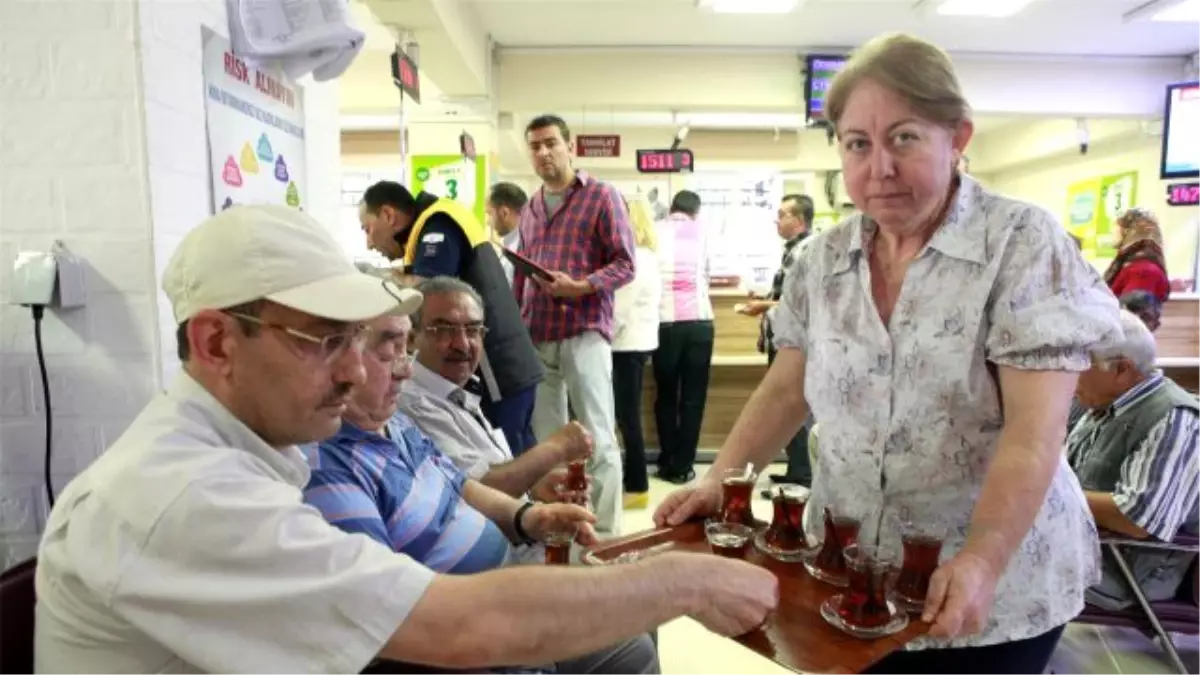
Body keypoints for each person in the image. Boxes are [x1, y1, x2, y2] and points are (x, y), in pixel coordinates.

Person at [33, 205, 778, 675]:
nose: (358, 372)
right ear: (217, 342)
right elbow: (458, 624)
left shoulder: (241, 448)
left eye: (362, 341)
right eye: (323, 341)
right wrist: (685, 581)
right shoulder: (186, 495)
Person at [655, 33, 1123, 674]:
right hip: (849, 571)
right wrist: (720, 481)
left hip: (987, 584)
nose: (879, 167)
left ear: (957, 138)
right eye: (857, 144)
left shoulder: (1020, 244)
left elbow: (1032, 435)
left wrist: (982, 560)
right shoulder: (823, 259)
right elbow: (788, 389)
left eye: (904, 138)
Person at [305, 309, 660, 674]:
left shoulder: (394, 421)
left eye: (404, 348)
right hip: (473, 626)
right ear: (338, 358)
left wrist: (529, 517)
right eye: (387, 352)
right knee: (634, 637)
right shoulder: (327, 467)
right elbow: (390, 617)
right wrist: (520, 623)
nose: (406, 369)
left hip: (505, 579)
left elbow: (460, 485)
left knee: (639, 606)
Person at [514, 114, 636, 537]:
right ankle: (563, 526)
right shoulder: (529, 208)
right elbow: (521, 273)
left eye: (551, 143)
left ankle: (604, 535)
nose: (543, 152)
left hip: (584, 332)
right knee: (549, 444)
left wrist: (581, 286)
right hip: (537, 334)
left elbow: (625, 265)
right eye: (535, 145)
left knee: (598, 437)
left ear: (570, 146)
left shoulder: (601, 196)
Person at [359, 180, 544, 457]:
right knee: (519, 462)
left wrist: (371, 277)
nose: (369, 243)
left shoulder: (439, 223)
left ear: (388, 215)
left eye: (368, 229)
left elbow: (425, 291)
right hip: (506, 367)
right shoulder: (434, 225)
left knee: (510, 465)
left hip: (497, 371)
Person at [399, 277, 591, 502]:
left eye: (472, 330)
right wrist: (557, 447)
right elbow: (473, 491)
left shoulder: (454, 391)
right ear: (411, 338)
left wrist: (533, 489)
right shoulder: (413, 402)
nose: (462, 344)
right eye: (443, 330)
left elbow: (486, 475)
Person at [1067, 310, 1200, 611]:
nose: (1068, 373)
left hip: (1124, 573)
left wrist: (1051, 497)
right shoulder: (1102, 402)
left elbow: (1137, 519)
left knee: (988, 560)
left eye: (1079, 364)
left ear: (1122, 370)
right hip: (1088, 547)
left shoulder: (1171, 417)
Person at [736, 193, 816, 489]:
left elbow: (798, 304)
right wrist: (765, 301)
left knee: (794, 405)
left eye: (783, 214)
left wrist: (764, 307)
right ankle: (797, 469)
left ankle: (804, 473)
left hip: (796, 344)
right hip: (784, 338)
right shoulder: (794, 250)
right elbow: (784, 298)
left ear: (799, 219)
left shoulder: (805, 252)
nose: (777, 220)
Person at [652, 190, 715, 485]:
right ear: (695, 211)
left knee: (665, 395)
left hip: (665, 322)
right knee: (693, 397)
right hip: (700, 321)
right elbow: (708, 274)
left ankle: (666, 459)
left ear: (672, 208)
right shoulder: (704, 231)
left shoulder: (656, 229)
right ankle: (683, 466)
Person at [611, 195, 662, 509]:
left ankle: (637, 485)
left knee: (627, 418)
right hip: (630, 343)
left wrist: (599, 333)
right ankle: (634, 482)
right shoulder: (647, 256)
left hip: (625, 344)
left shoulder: (637, 258)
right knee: (626, 416)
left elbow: (620, 308)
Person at [1103, 207, 1171, 303]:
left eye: (1117, 227)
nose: (1111, 232)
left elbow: (1132, 313)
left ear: (1131, 230)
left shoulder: (1142, 270)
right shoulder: (1131, 264)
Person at [488, 182, 529, 288]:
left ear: (504, 213)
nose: (488, 222)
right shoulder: (509, 246)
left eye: (489, 214)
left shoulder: (520, 251)